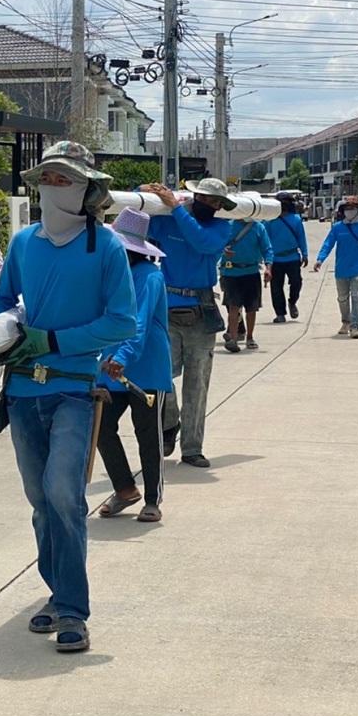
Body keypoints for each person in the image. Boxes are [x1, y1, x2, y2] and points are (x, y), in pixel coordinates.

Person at [0, 141, 137, 653]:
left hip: (75, 389)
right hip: (22, 391)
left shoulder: (107, 248)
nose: (54, 188)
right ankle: (56, 593)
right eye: (47, 179)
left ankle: (74, 608)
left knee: (63, 495)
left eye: (65, 180)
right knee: (39, 502)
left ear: (85, 189)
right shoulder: (23, 243)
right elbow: (1, 301)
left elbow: (123, 320)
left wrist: (54, 341)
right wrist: (1, 336)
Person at [145, 178, 232, 469]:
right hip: (166, 309)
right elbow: (132, 221)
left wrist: (176, 209)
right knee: (159, 376)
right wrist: (145, 191)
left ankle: (192, 448)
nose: (211, 205)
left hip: (201, 311)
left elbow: (201, 242)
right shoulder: (169, 221)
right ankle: (170, 423)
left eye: (216, 202)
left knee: (197, 385)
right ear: (194, 196)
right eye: (205, 199)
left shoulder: (221, 228)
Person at [94, 209, 173, 523]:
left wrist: (122, 357)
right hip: (111, 367)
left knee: (147, 435)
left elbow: (137, 324)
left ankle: (152, 499)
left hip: (145, 369)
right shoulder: (111, 275)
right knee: (100, 427)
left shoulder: (149, 277)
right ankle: (125, 489)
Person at [314, 196, 358, 338]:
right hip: (341, 269)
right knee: (342, 298)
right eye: (347, 208)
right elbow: (328, 244)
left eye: (352, 208)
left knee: (357, 297)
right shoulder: (337, 228)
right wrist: (320, 259)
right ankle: (345, 322)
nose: (349, 211)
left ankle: (355, 326)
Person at [219, 218, 273, 352]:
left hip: (252, 271)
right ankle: (233, 338)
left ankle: (249, 337)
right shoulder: (228, 226)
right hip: (231, 272)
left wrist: (268, 268)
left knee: (251, 308)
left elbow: (268, 249)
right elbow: (218, 244)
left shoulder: (258, 227)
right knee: (233, 306)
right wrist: (223, 251)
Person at [267, 191, 310, 322]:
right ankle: (280, 313)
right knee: (276, 287)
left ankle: (292, 302)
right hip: (275, 259)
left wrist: (305, 254)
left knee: (297, 282)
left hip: (292, 257)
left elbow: (301, 238)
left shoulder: (296, 219)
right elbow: (265, 241)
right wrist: (265, 259)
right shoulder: (269, 221)